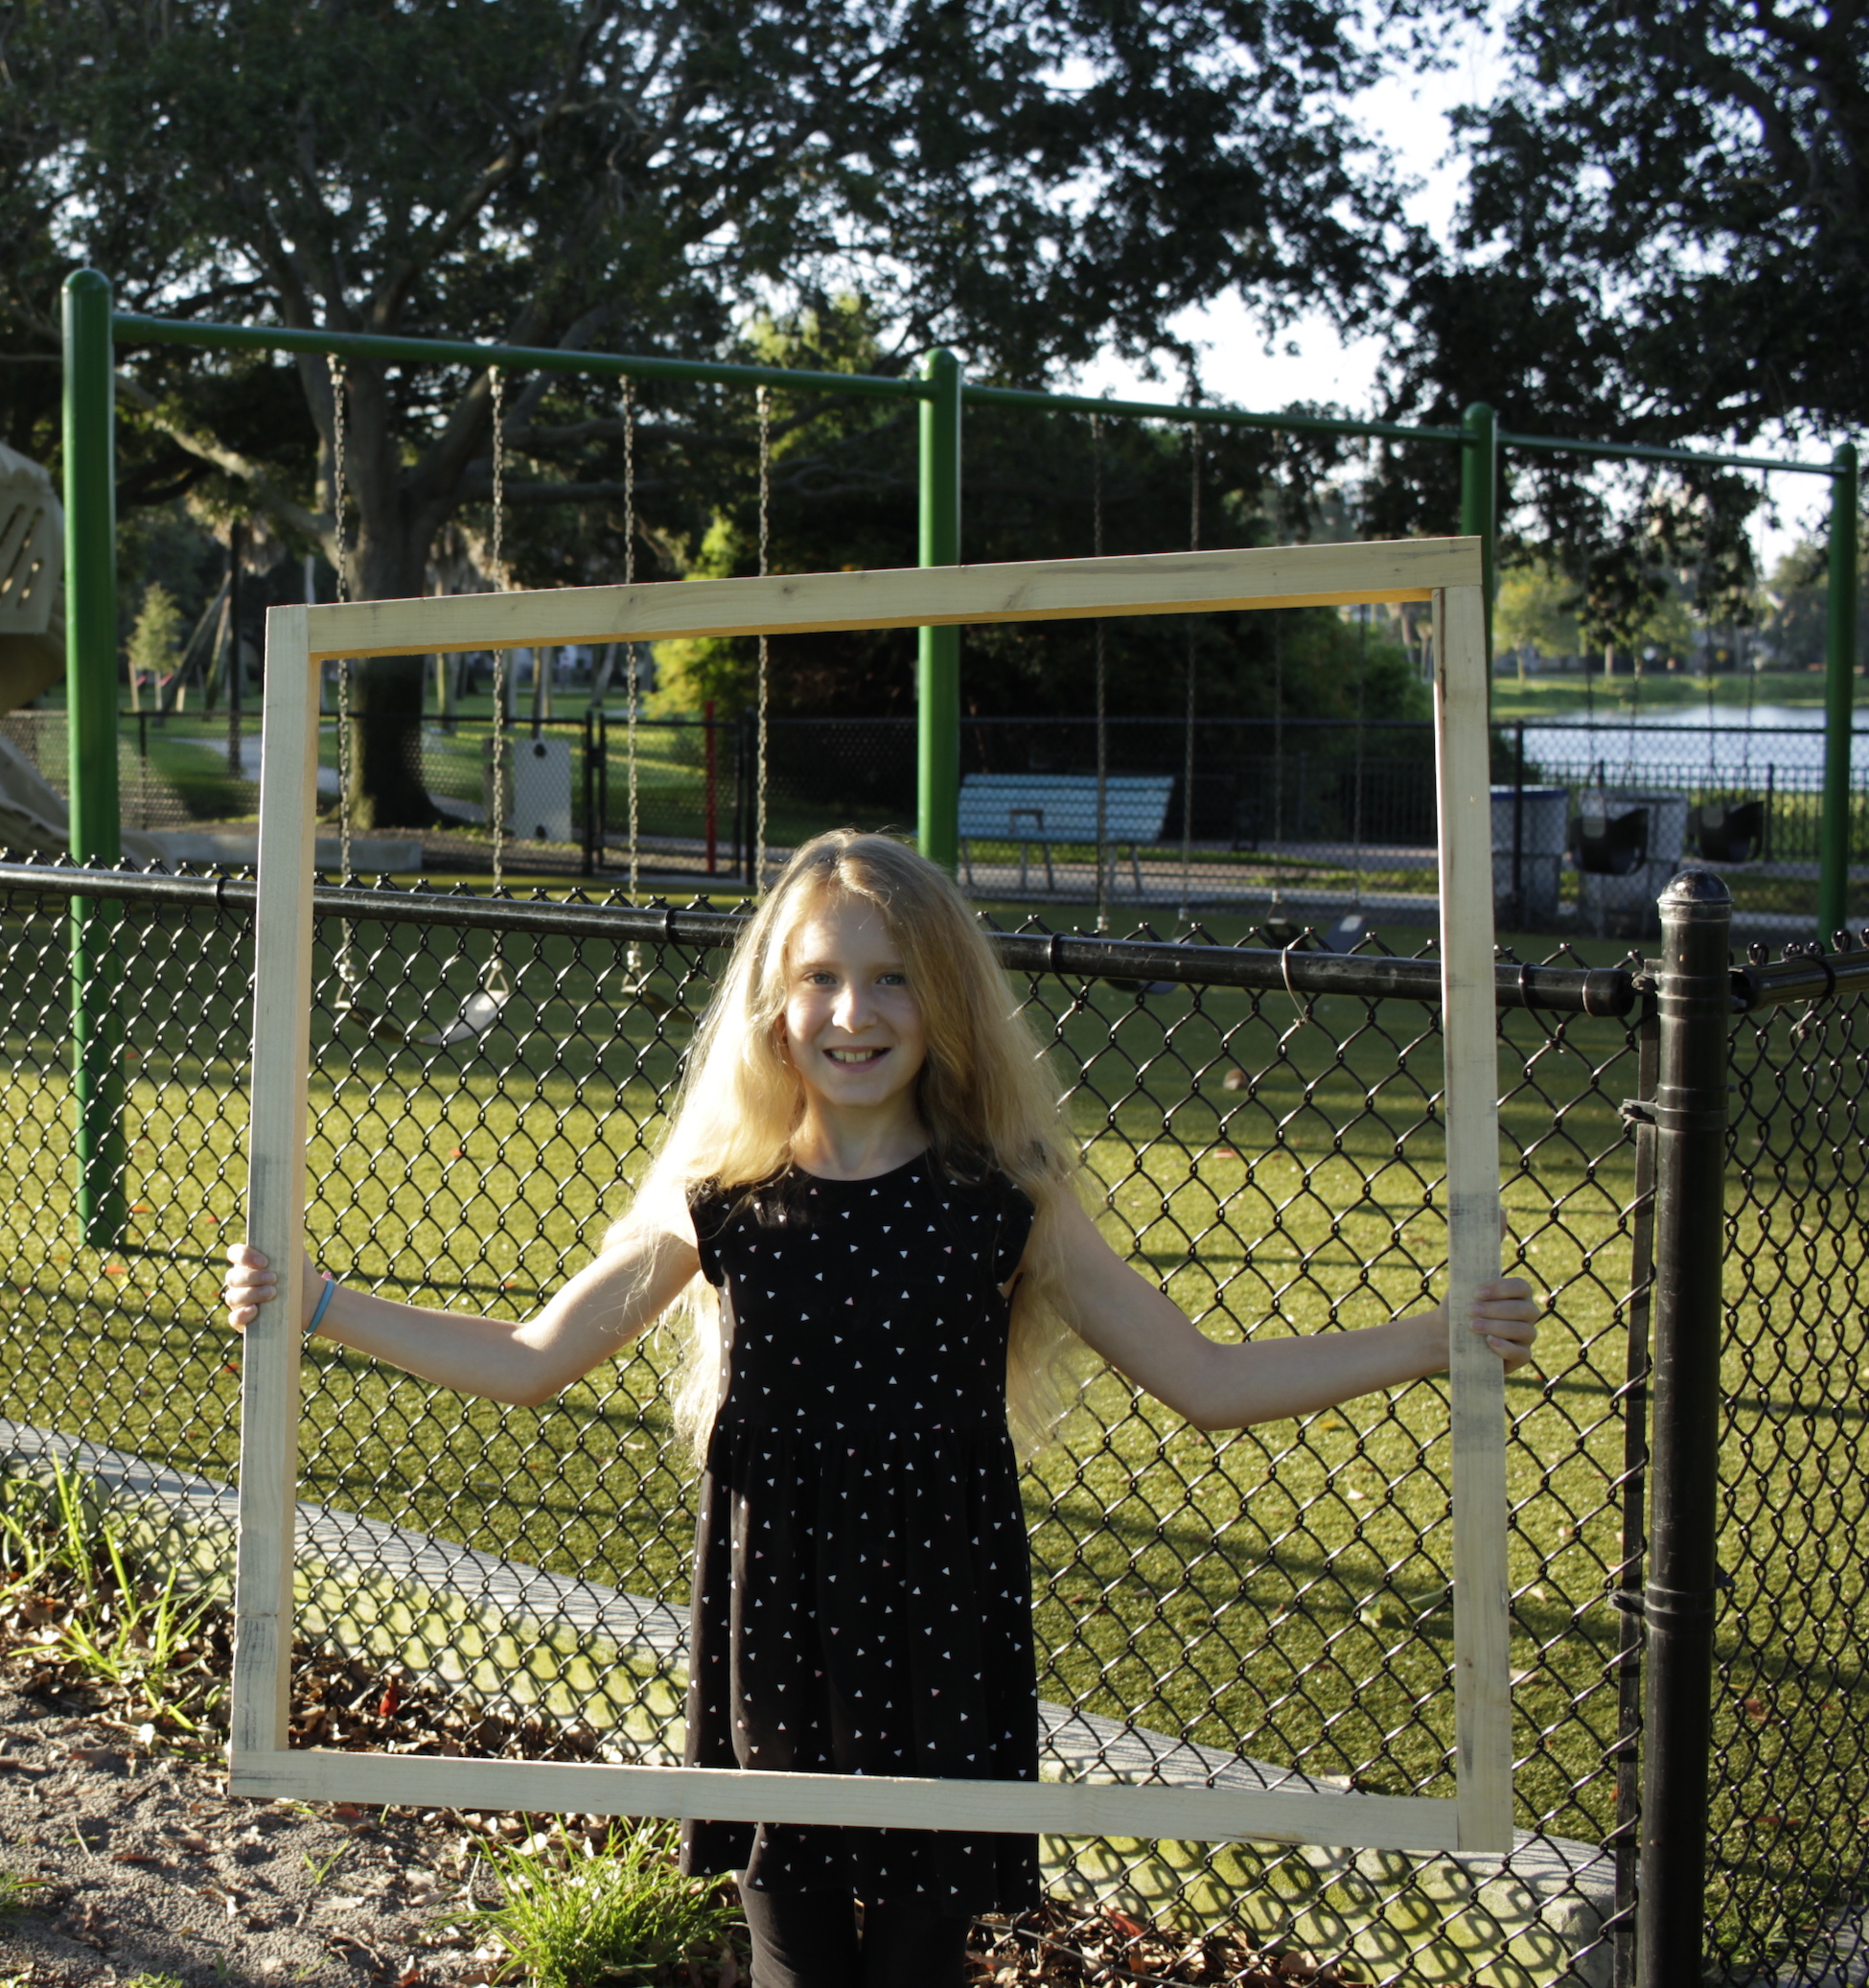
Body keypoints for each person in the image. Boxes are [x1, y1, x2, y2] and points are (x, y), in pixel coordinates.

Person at [223, 828, 1539, 1988]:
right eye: (820, 975)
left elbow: (1206, 1382)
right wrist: (319, 1303)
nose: (854, 1010)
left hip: (941, 1626)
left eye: (891, 974)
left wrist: (1432, 1338)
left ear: (943, 998)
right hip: (776, 1616)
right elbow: (529, 1355)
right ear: (773, 1002)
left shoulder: (1003, 1196)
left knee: (915, 1962)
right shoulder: (715, 1189)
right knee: (794, 1959)